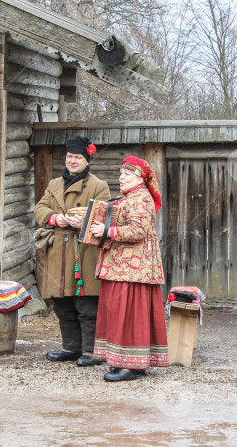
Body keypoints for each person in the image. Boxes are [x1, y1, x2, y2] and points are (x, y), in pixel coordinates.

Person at [89, 155, 168, 381]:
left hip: (135, 269)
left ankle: (131, 365)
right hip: (122, 266)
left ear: (140, 178)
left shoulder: (140, 199)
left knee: (130, 314)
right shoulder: (129, 198)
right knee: (119, 313)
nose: (121, 178)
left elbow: (138, 231)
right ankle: (121, 360)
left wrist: (107, 232)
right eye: (120, 174)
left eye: (127, 174)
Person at [34, 135, 110, 366]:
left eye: (77, 157)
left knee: (86, 305)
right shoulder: (54, 184)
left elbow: (105, 218)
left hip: (84, 252)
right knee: (63, 304)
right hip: (58, 253)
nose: (72, 161)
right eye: (69, 157)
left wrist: (81, 223)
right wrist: (56, 218)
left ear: (86, 159)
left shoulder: (99, 186)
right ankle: (71, 348)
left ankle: (91, 350)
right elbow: (39, 209)